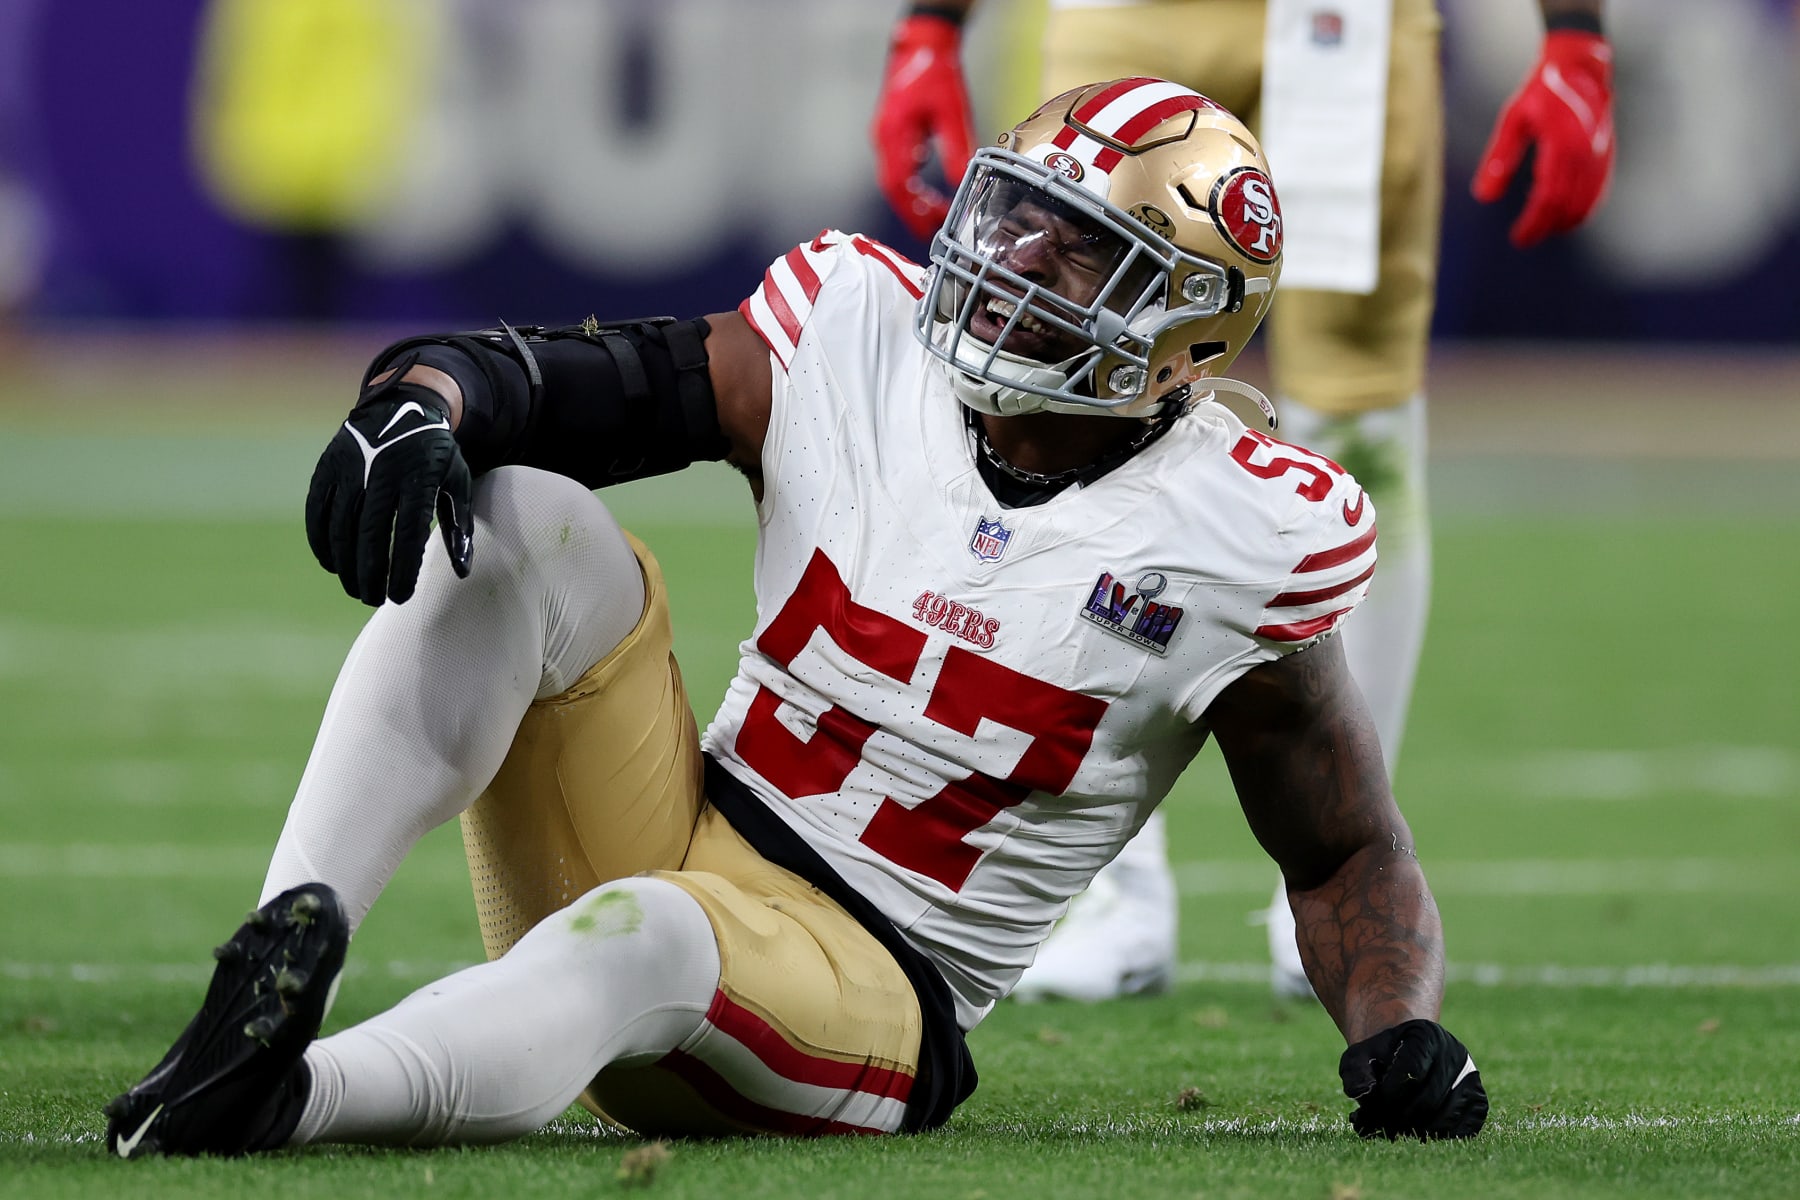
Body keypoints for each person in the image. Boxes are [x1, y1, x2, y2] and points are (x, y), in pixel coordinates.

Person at [104, 79, 1487, 1157]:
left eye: (1080, 254)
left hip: (875, 990)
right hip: (690, 826)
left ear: (1185, 329)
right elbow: (605, 382)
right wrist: (430, 398)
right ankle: (278, 952)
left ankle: (287, 1104)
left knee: (647, 929)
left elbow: (1343, 847)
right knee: (521, 513)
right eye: (1017, 214)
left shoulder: (1239, 532)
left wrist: (1395, 1035)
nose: (1012, 258)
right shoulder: (856, 334)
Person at [872, 0, 1615, 1001]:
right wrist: (929, 23)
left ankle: (1351, 879)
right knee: (1064, 381)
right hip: (1124, 13)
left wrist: (1574, 32)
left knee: (1359, 420)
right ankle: (1103, 896)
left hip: (1342, 22)